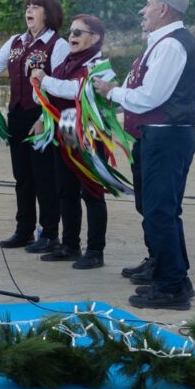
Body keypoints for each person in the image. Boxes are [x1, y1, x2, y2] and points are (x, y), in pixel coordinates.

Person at [94, 0, 195, 310]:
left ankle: (172, 288)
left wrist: (112, 93)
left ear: (164, 10)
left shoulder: (171, 45)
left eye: (149, 4)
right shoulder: (160, 44)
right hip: (156, 135)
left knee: (160, 211)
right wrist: (113, 90)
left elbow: (151, 97)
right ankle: (173, 276)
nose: (143, 10)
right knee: (157, 209)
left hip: (167, 136)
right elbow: (137, 88)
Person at [0, 0, 69, 253]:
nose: (29, 11)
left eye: (35, 7)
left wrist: (47, 119)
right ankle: (24, 230)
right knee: (22, 177)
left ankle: (49, 233)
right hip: (17, 114)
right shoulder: (15, 42)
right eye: (27, 6)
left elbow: (59, 86)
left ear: (49, 13)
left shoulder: (58, 44)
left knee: (44, 177)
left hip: (42, 116)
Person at [30, 15, 112, 269]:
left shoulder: (100, 65)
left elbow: (76, 90)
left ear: (95, 37)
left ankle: (95, 251)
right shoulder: (67, 62)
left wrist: (44, 79)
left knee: (92, 193)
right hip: (65, 131)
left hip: (90, 135)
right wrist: (38, 86)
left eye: (79, 32)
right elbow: (48, 94)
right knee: (65, 190)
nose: (72, 36)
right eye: (71, 31)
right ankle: (70, 245)